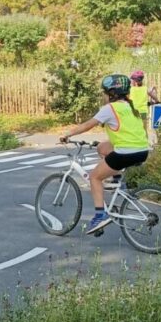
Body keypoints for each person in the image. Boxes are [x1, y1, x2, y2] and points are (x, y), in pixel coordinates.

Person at [59, 74, 151, 235]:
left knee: (95, 177)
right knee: (102, 148)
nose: (104, 95)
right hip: (142, 150)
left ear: (112, 93)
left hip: (126, 152)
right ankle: (117, 180)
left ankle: (100, 215)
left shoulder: (110, 108)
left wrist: (68, 134)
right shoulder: (131, 106)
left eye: (105, 92)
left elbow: (88, 125)